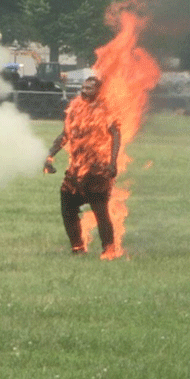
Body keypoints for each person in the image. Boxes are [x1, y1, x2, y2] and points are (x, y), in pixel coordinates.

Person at [43, 76, 121, 258]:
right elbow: (65, 135)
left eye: (90, 88)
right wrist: (49, 156)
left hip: (97, 169)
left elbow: (116, 135)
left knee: (100, 211)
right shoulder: (75, 109)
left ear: (98, 91)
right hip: (76, 168)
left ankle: (109, 249)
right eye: (83, 87)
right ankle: (77, 247)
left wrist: (113, 162)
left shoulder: (105, 109)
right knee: (67, 206)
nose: (84, 91)